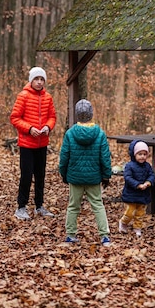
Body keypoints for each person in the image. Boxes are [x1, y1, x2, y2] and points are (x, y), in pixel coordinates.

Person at [59, 99, 112, 247]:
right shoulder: (99, 133)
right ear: (91, 114)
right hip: (93, 177)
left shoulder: (70, 133)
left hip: (75, 177)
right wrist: (106, 175)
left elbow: (64, 156)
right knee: (98, 205)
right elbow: (105, 156)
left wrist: (63, 173)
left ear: (77, 115)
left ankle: (70, 235)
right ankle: (104, 236)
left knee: (73, 206)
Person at [10, 66, 57, 220]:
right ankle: (21, 207)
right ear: (31, 80)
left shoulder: (48, 97)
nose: (39, 82)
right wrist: (29, 129)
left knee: (41, 175)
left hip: (42, 143)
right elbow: (15, 118)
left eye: (41, 79)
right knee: (26, 175)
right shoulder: (23, 96)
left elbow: (52, 117)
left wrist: (47, 127)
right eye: (36, 79)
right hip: (27, 144)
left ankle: (39, 206)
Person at [118, 140, 155, 237]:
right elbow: (128, 177)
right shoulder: (129, 166)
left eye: (144, 154)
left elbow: (151, 175)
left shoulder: (147, 166)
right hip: (131, 194)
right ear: (134, 154)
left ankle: (137, 227)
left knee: (140, 213)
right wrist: (138, 185)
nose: (142, 156)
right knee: (130, 212)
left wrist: (148, 182)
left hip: (143, 194)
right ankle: (123, 222)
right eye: (140, 154)